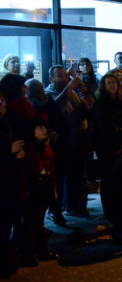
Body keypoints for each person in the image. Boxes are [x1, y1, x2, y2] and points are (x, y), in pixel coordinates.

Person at [25, 78, 68, 226]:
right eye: (37, 90)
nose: (41, 92)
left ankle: (57, 211)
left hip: (56, 148)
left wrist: (57, 134)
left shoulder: (50, 103)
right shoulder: (30, 108)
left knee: (57, 181)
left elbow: (62, 122)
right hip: (39, 153)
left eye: (42, 89)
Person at [17, 117, 58, 266]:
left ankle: (41, 252)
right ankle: (31, 254)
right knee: (30, 222)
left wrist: (53, 187)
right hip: (32, 186)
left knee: (38, 221)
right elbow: (23, 171)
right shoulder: (27, 148)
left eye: (44, 128)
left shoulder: (44, 146)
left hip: (43, 185)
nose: (44, 131)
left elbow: (50, 168)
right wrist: (25, 189)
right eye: (39, 128)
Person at [91, 72, 122, 214]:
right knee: (108, 177)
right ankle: (108, 208)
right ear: (104, 86)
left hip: (118, 143)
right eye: (109, 82)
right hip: (106, 145)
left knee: (117, 177)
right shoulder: (101, 103)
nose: (112, 85)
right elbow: (104, 125)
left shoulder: (119, 101)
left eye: (114, 82)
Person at [0, 92, 25, 277]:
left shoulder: (5, 122)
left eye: (3, 101)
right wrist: (9, 150)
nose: (3, 105)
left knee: (10, 219)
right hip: (3, 180)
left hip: (10, 177)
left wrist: (17, 153)